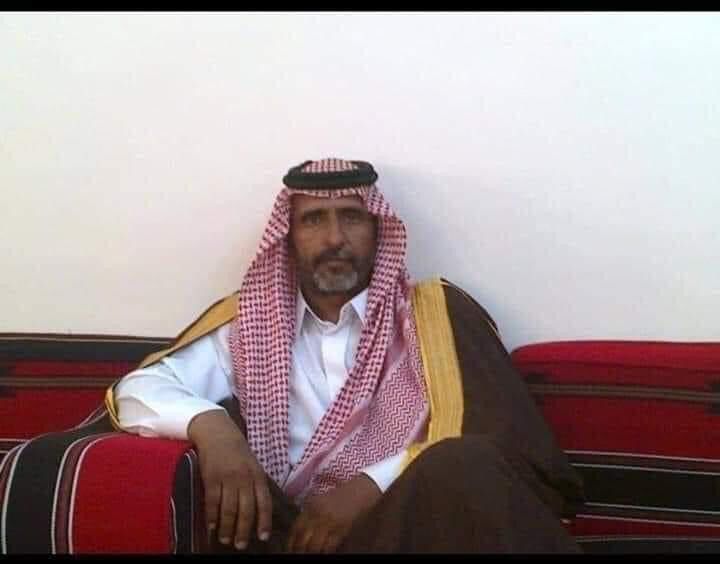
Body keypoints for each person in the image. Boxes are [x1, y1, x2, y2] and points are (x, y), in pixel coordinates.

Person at [106, 158, 584, 553]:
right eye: (314, 219)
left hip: (412, 526)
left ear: (377, 230)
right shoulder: (249, 323)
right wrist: (213, 429)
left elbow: (494, 439)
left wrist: (370, 486)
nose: (334, 238)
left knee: (464, 465)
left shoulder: (434, 316)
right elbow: (138, 389)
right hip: (294, 538)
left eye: (351, 218)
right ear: (288, 236)